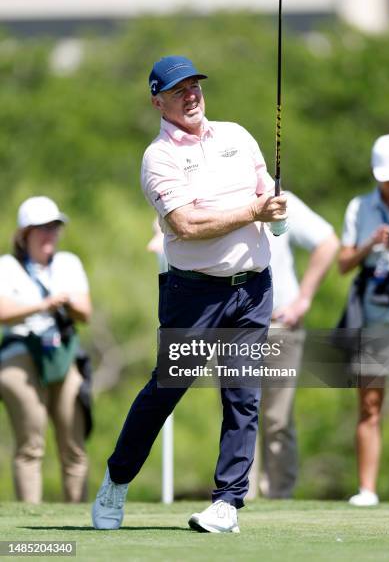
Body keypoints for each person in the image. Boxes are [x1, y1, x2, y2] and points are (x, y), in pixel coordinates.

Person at [92, 55, 288, 533]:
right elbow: (186, 224)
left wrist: (277, 212)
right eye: (179, 90)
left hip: (253, 288)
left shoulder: (239, 136)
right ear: (158, 101)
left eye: (196, 86)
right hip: (194, 294)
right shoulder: (158, 156)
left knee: (243, 395)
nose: (192, 95)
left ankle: (227, 504)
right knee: (166, 390)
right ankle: (117, 481)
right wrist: (255, 213)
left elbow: (272, 203)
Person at [0, 196, 92, 503]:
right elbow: (2, 312)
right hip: (20, 352)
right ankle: (31, 514)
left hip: (62, 352)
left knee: (73, 444)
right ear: (25, 233)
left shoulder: (69, 263)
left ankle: (79, 515)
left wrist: (67, 304)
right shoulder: (7, 267)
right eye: (42, 227)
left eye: (54, 227)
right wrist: (42, 305)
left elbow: (85, 313)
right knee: (31, 442)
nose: (50, 233)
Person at [248, 192, 339, 499]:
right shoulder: (221, 198)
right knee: (237, 413)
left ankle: (278, 495)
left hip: (279, 324)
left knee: (278, 419)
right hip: (235, 327)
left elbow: (327, 242)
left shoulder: (280, 201)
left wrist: (304, 299)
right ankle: (237, 494)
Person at [338, 134, 389, 506]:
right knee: (369, 403)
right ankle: (366, 489)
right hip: (372, 314)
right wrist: (370, 244)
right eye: (388, 177)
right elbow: (343, 263)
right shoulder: (359, 207)